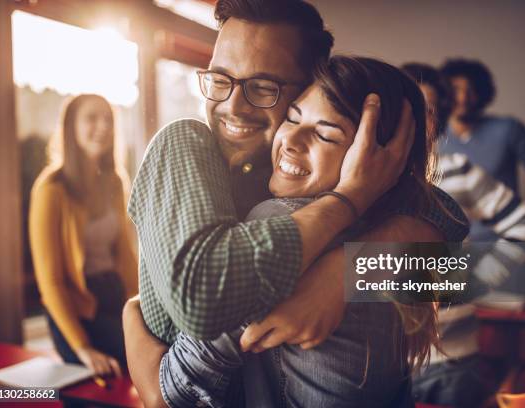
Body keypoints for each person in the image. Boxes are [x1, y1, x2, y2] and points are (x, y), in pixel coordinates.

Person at [124, 0, 468, 405]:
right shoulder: (380, 210)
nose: (234, 105)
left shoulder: (281, 215)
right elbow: (470, 251)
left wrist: (347, 270)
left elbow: (171, 395)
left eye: (264, 87)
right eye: (220, 79)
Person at [402, 63, 525, 407]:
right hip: (381, 365)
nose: (419, 119)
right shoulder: (360, 179)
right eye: (409, 105)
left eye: (431, 110)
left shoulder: (459, 171)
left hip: (452, 360)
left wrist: (479, 278)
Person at [29, 94, 138, 377]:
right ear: (70, 127)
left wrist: (144, 310)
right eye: (92, 118)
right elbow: (50, 283)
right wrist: (83, 348)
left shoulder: (115, 181)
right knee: (129, 364)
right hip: (75, 310)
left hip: (114, 295)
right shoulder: (50, 189)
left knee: (159, 349)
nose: (103, 126)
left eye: (108, 119)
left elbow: (126, 258)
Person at [438, 58, 525, 240]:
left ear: (482, 93)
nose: (463, 98)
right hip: (456, 243)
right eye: (456, 89)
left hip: (507, 235)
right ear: (445, 93)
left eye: (471, 90)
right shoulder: (434, 137)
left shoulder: (508, 129)